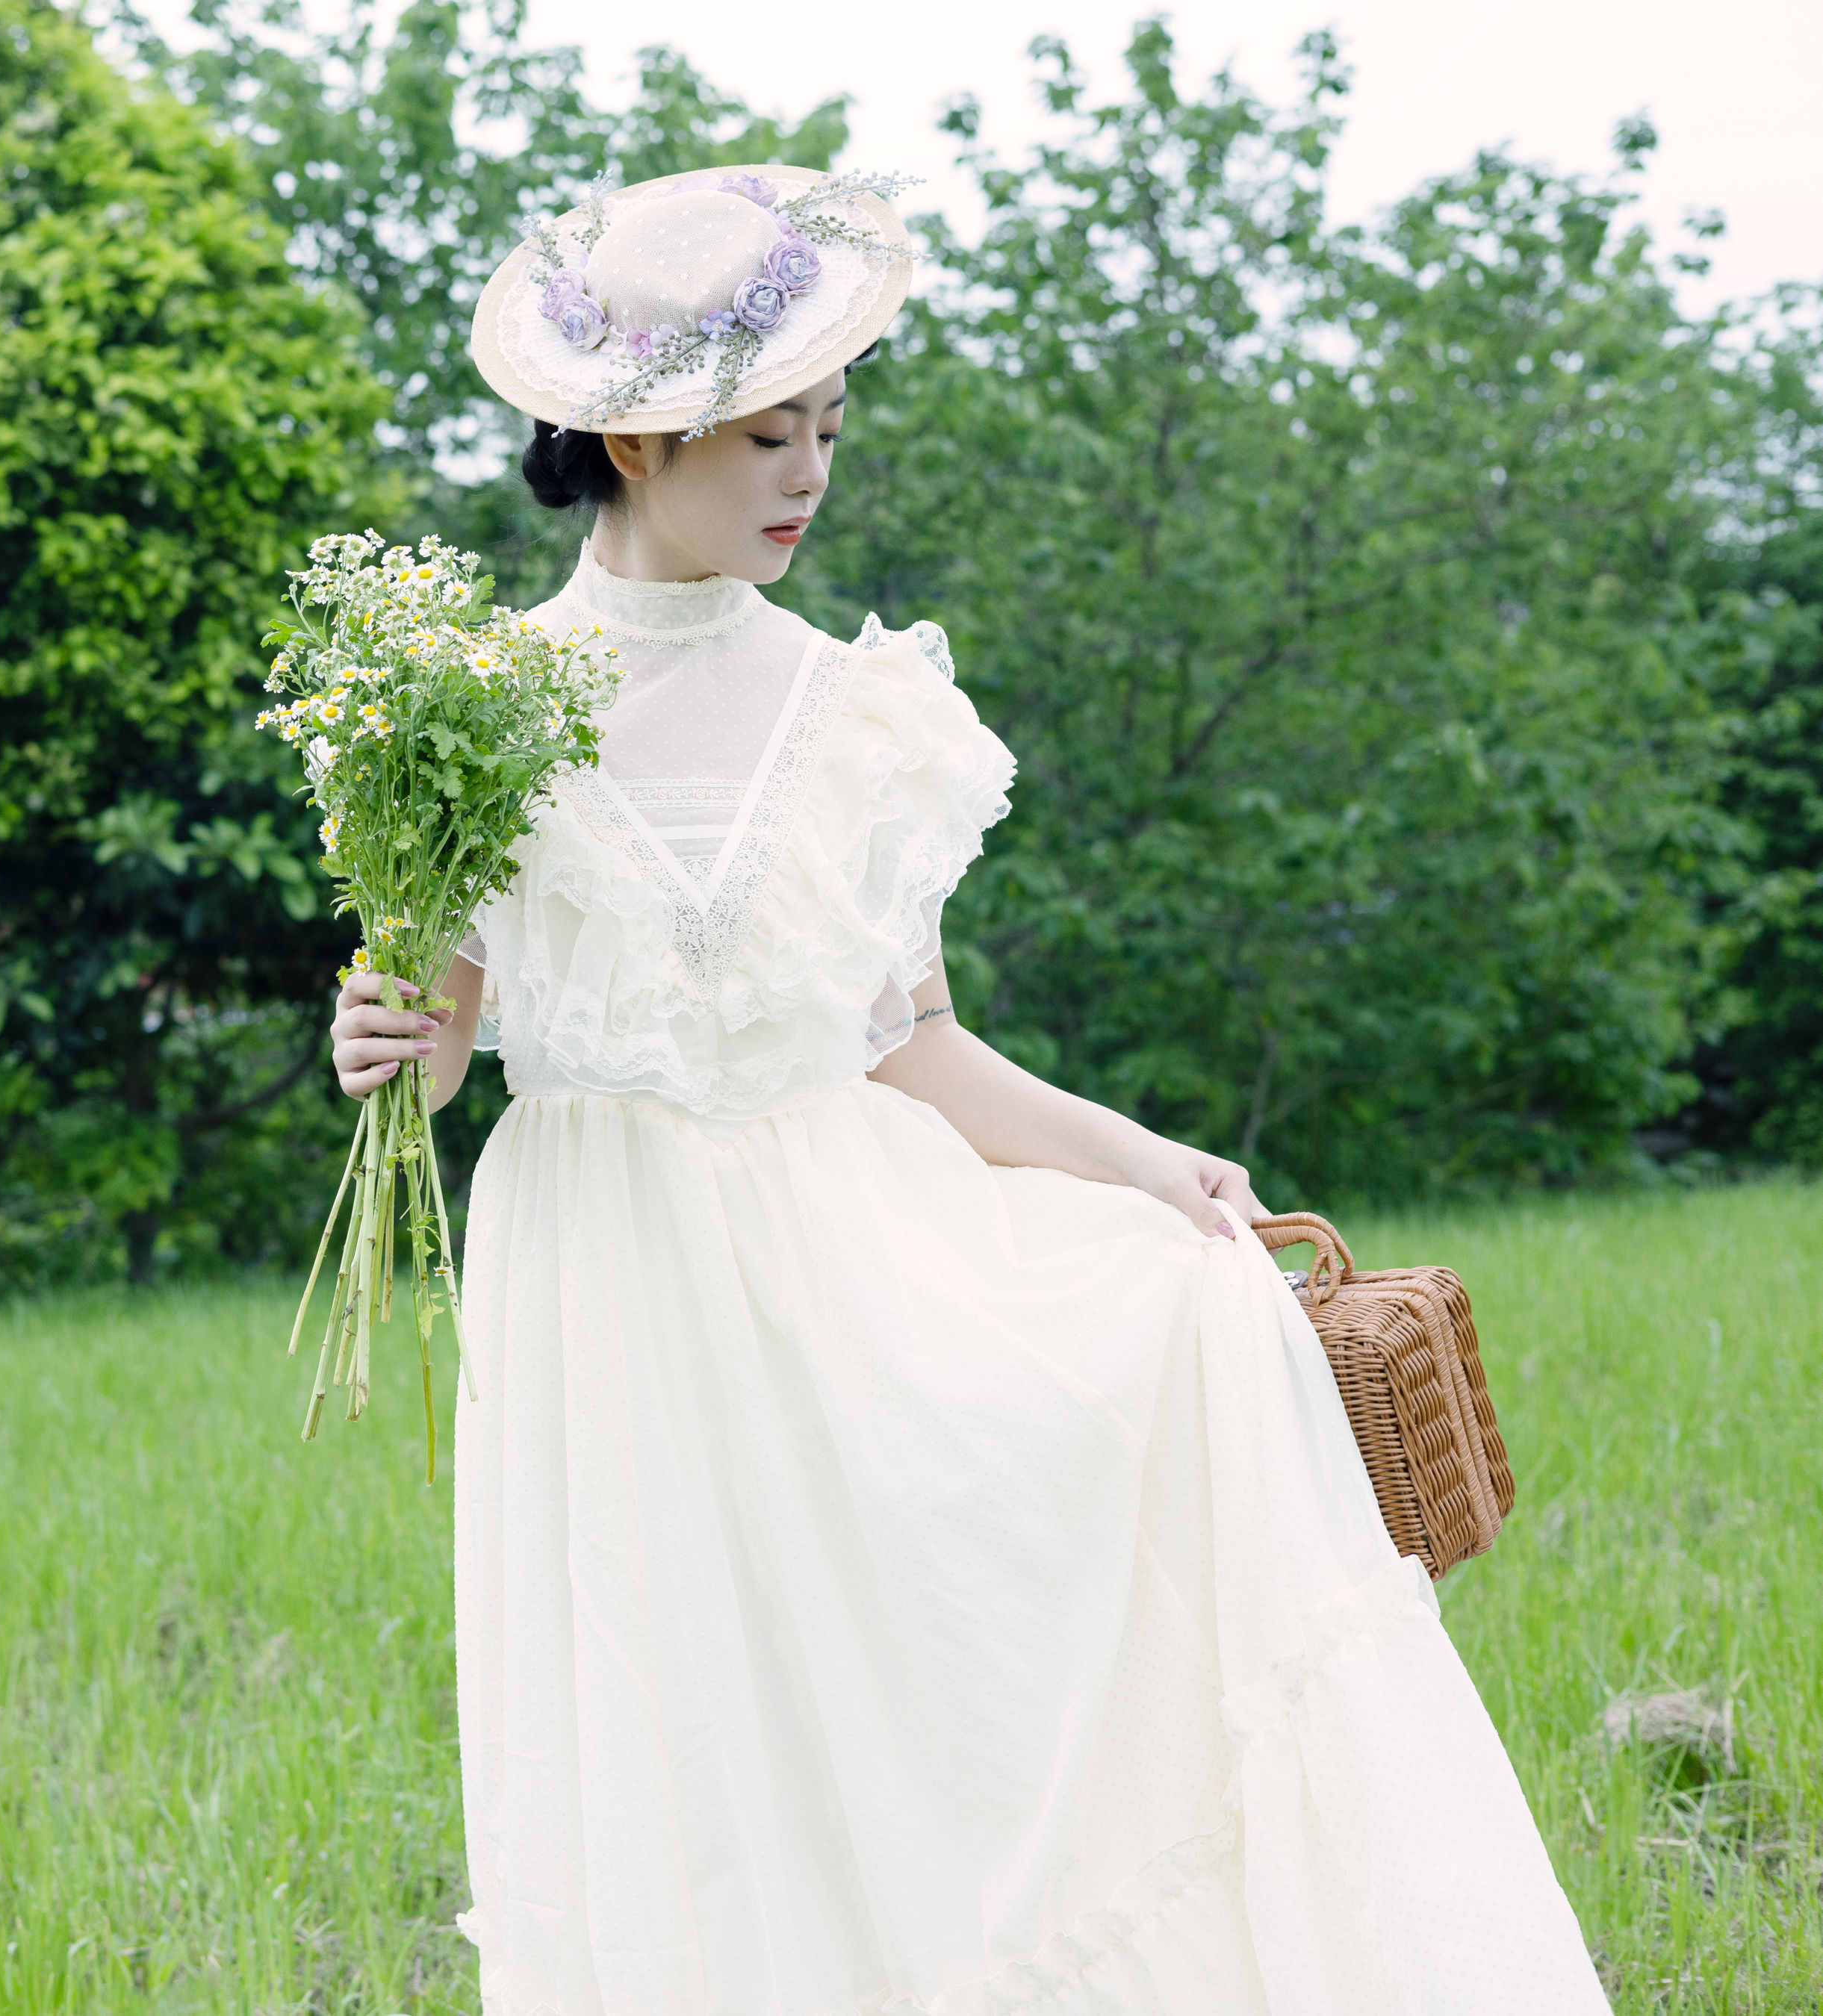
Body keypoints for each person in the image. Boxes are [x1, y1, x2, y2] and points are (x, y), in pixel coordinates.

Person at [329, 165, 1610, 2014]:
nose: (809, 474)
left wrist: (1143, 1162)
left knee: (929, 1712)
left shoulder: (861, 713)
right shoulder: (453, 707)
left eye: (828, 429)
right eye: (768, 433)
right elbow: (440, 1040)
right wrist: (382, 1052)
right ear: (626, 439)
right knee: (691, 1741)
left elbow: (912, 1043)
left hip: (857, 1267)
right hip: (616, 1295)